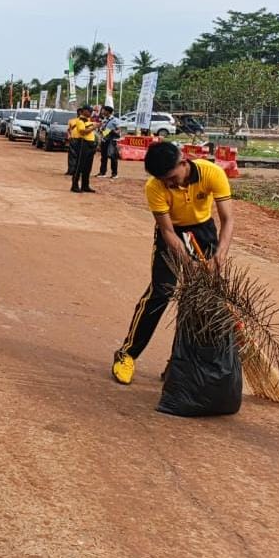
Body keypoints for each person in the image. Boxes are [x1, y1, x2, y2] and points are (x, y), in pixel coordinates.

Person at [111, 141, 234, 384]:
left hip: (203, 231)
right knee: (160, 293)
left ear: (184, 162)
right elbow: (167, 231)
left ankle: (179, 363)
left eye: (171, 177)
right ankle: (127, 354)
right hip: (173, 235)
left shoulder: (212, 173)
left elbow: (228, 219)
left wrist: (220, 254)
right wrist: (187, 261)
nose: (169, 184)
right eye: (164, 180)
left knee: (201, 301)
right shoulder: (154, 186)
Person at [69, 105, 98, 193]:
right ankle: (74, 185)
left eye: (91, 111)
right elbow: (82, 131)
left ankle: (85, 185)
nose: (90, 113)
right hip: (83, 143)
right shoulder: (80, 121)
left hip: (90, 144)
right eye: (89, 111)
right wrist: (94, 127)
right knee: (79, 165)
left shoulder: (88, 120)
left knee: (87, 167)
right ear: (83, 111)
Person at [96, 105, 121, 180]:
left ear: (108, 111)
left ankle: (114, 174)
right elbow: (103, 131)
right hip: (104, 140)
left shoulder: (115, 120)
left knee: (113, 157)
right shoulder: (104, 120)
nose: (103, 112)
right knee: (103, 157)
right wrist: (101, 130)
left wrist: (113, 132)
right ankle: (102, 172)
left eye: (104, 110)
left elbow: (119, 130)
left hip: (111, 141)